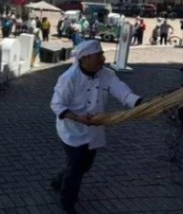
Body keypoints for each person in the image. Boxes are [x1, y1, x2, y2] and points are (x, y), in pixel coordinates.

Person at [50, 40, 143, 213]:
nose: (103, 59)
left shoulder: (106, 74)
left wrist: (139, 103)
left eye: (101, 54)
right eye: (98, 55)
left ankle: (58, 180)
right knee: (77, 167)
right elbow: (56, 105)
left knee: (84, 166)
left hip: (93, 129)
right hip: (72, 130)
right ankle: (67, 201)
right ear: (85, 59)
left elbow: (121, 91)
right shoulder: (69, 78)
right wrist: (78, 118)